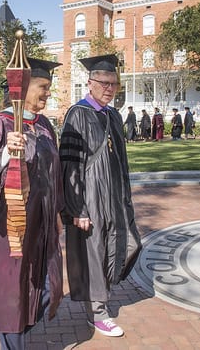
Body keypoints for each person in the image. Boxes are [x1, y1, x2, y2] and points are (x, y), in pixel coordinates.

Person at [0, 58, 64, 349]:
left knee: (43, 286)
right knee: (10, 292)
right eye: (43, 87)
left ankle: (17, 333)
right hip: (7, 226)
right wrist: (5, 153)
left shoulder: (44, 125)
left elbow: (52, 173)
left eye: (49, 88)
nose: (48, 94)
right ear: (23, 87)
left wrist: (56, 212)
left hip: (41, 223)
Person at [59, 54, 141, 338]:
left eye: (114, 84)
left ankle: (101, 298)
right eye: (104, 83)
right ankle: (99, 312)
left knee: (126, 244)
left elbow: (121, 162)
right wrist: (77, 208)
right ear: (90, 83)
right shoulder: (77, 114)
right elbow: (69, 165)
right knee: (94, 252)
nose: (109, 88)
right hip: (90, 197)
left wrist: (125, 197)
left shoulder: (114, 116)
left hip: (114, 197)